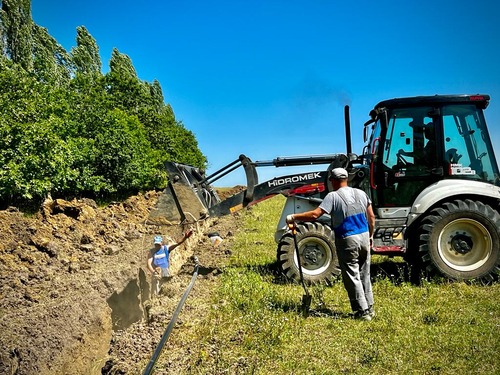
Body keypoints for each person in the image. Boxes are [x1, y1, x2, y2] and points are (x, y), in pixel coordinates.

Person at [286, 167, 376, 321]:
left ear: (333, 181)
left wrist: (294, 216)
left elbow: (315, 214)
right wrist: (371, 235)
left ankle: (362, 312)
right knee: (364, 273)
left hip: (348, 238)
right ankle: (370, 307)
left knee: (352, 275)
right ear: (347, 179)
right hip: (364, 236)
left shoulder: (333, 196)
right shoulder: (361, 193)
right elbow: (372, 217)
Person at [147, 229, 193, 293]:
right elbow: (149, 264)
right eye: (156, 244)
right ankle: (156, 300)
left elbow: (177, 243)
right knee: (156, 291)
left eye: (158, 244)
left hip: (165, 271)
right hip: (156, 272)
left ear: (161, 243)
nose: (157, 246)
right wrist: (154, 272)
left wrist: (185, 237)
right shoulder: (151, 252)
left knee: (165, 288)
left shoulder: (166, 248)